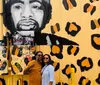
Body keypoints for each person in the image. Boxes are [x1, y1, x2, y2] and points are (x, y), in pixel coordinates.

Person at [3, 0, 78, 46]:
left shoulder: (61, 43)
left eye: (35, 6)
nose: (26, 14)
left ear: (46, 12)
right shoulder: (4, 44)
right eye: (18, 7)